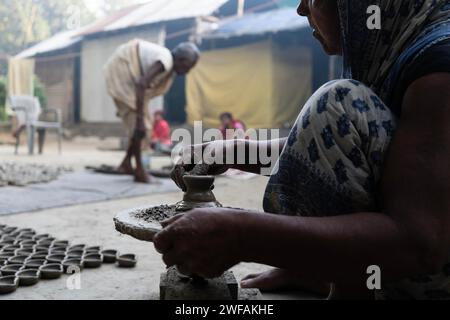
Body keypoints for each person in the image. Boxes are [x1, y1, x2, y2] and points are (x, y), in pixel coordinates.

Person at [157, 0, 450, 300]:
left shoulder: (439, 64)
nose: (301, 10)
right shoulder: (395, 47)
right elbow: (337, 149)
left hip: (431, 279)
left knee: (336, 105)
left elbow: (421, 244)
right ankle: (327, 272)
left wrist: (244, 236)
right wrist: (230, 151)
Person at [104, 40, 200, 182]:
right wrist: (139, 119)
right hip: (121, 68)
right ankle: (139, 170)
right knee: (142, 126)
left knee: (143, 125)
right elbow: (142, 83)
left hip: (125, 68)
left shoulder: (168, 66)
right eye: (187, 66)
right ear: (181, 59)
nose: (187, 71)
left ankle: (126, 163)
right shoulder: (165, 60)